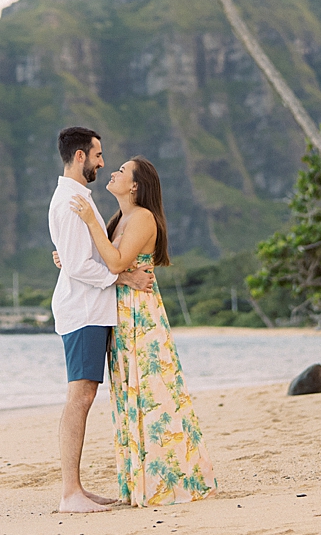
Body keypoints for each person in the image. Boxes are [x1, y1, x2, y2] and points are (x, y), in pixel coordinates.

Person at [68, 155, 216, 506]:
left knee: (153, 395)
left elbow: (118, 262)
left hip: (139, 315)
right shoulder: (120, 218)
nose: (113, 172)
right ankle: (144, 483)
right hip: (121, 314)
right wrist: (71, 259)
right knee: (130, 396)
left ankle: (170, 483)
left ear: (134, 185)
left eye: (122, 170)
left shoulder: (142, 218)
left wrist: (89, 221)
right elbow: (105, 262)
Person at [48, 126, 154, 514]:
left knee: (84, 394)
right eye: (97, 155)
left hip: (90, 309)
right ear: (80, 156)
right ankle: (70, 493)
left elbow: (76, 256)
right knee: (80, 396)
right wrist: (123, 276)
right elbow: (78, 264)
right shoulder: (72, 201)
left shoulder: (78, 199)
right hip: (83, 310)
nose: (102, 162)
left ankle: (75, 489)